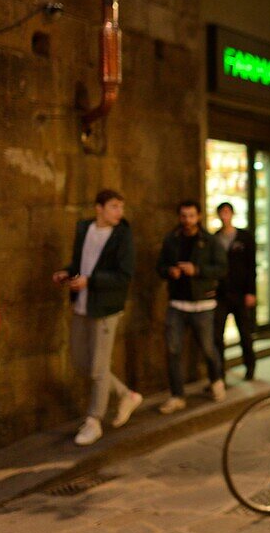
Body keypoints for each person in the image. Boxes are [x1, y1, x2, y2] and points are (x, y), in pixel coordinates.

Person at [52, 189, 142, 447]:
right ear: (98, 208)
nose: (119, 213)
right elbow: (80, 264)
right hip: (81, 305)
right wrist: (66, 274)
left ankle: (94, 420)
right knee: (81, 361)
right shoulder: (84, 229)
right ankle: (127, 395)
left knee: (99, 367)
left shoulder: (123, 236)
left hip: (105, 308)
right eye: (114, 207)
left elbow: (124, 276)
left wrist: (90, 281)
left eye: (121, 207)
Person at [156, 200, 228, 414]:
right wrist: (170, 271)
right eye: (184, 216)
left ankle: (216, 380)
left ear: (199, 217)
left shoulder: (209, 241)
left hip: (203, 303)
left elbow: (222, 268)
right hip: (177, 303)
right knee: (173, 349)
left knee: (207, 347)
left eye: (191, 216)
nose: (187, 220)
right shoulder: (172, 240)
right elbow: (160, 267)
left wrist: (196, 270)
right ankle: (177, 395)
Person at [212, 202, 257, 382]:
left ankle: (250, 366)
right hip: (222, 294)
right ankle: (219, 373)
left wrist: (250, 292)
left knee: (245, 333)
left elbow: (251, 265)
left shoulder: (244, 237)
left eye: (227, 212)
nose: (225, 215)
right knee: (217, 335)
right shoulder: (215, 238)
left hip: (240, 293)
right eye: (221, 212)